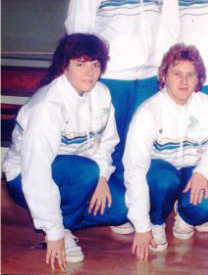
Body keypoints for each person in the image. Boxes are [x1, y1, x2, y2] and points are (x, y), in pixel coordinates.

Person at [2, 34, 127, 270]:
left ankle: (63, 210)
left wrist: (102, 177)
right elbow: (36, 173)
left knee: (122, 209)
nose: (89, 73)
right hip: (24, 177)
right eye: (80, 64)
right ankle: (61, 227)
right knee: (86, 172)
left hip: (79, 171)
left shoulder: (102, 93)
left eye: (95, 65)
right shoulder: (47, 108)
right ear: (65, 66)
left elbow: (108, 140)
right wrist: (54, 232)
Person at [65, 0, 166, 183]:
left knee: (140, 147)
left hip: (148, 78)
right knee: (109, 147)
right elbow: (78, 30)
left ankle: (133, 201)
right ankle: (109, 199)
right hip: (112, 78)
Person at [123, 44, 208, 261]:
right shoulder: (148, 112)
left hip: (192, 170)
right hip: (160, 173)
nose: (184, 81)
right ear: (164, 76)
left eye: (190, 74)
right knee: (163, 179)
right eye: (177, 74)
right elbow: (134, 169)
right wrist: (142, 226)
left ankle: (185, 215)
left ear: (198, 78)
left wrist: (202, 172)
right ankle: (156, 221)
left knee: (207, 204)